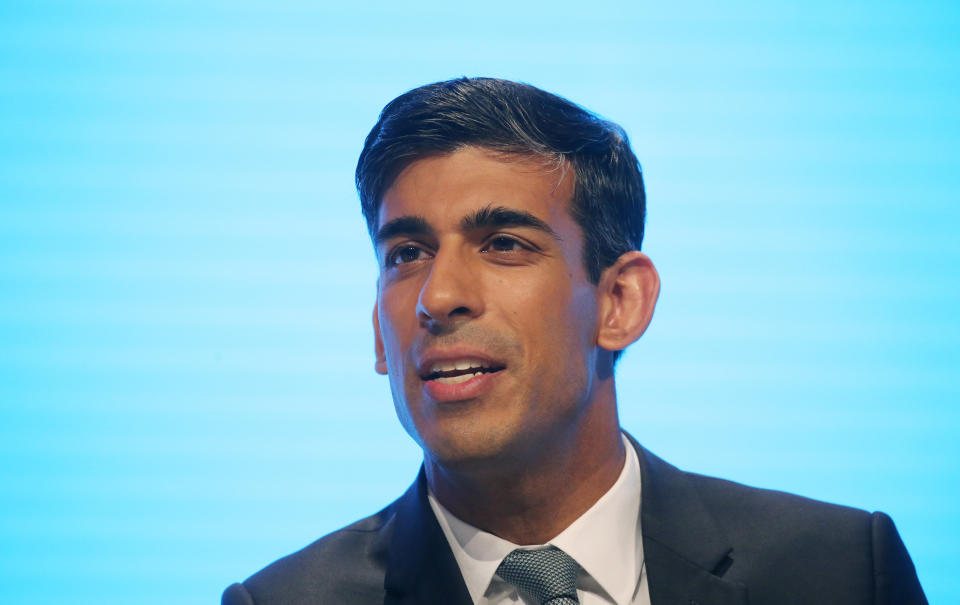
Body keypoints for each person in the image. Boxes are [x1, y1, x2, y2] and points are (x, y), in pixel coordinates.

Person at [222, 77, 926, 605]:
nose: (437, 297)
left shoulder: (839, 572)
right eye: (406, 253)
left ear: (620, 302)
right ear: (379, 331)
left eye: (502, 243)